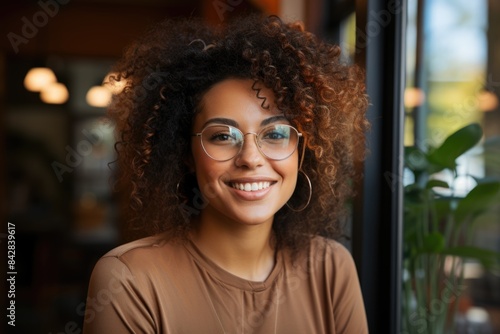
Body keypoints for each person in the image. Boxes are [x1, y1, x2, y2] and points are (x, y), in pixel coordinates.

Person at [83, 13, 369, 334]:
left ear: (302, 151)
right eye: (222, 136)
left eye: (275, 134)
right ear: (187, 154)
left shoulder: (330, 267)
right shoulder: (128, 280)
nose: (250, 159)